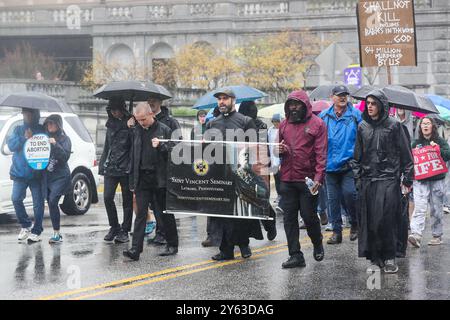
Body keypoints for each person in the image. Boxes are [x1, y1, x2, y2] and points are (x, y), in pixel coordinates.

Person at [352, 89, 414, 273]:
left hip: (389, 180)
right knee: (370, 220)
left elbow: (406, 155)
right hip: (368, 181)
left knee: (387, 220)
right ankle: (374, 256)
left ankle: (389, 256)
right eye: (368, 103)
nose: (369, 106)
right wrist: (358, 178)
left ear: (381, 105)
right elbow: (356, 156)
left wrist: (407, 180)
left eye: (373, 103)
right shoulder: (362, 126)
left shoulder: (395, 126)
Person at [205, 89, 263, 261]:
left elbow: (255, 147)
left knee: (241, 212)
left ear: (233, 100)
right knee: (222, 213)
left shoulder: (245, 121)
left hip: (241, 172)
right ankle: (226, 250)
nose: (221, 102)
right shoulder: (212, 123)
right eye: (219, 99)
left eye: (225, 98)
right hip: (219, 174)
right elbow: (206, 150)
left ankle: (244, 244)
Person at [276, 89, 327, 269]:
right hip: (287, 178)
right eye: (291, 104)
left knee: (308, 216)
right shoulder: (283, 125)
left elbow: (321, 153)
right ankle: (295, 255)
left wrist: (319, 178)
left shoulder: (318, 124)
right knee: (289, 218)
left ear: (305, 105)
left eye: (297, 104)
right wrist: (279, 151)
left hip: (308, 180)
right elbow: (277, 150)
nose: (294, 107)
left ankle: (317, 242)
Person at [123, 102, 178, 261]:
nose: (141, 122)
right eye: (138, 120)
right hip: (142, 179)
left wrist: (161, 146)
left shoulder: (164, 129)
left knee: (164, 214)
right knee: (140, 214)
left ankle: (172, 244)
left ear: (151, 114)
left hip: (160, 179)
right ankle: (135, 249)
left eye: (144, 119)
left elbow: (174, 154)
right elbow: (132, 155)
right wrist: (132, 181)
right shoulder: (136, 131)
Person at [319, 85, 361, 244]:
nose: (343, 98)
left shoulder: (356, 115)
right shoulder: (324, 116)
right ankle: (337, 232)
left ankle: (355, 224)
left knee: (350, 194)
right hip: (329, 167)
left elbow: (363, 137)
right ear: (332, 97)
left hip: (349, 165)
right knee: (333, 201)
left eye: (345, 95)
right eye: (339, 95)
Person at [408, 116, 450, 247]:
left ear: (432, 126)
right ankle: (416, 235)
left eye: (428, 123)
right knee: (420, 207)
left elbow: (448, 154)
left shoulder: (440, 141)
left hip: (437, 180)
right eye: (423, 124)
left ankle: (437, 235)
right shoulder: (415, 143)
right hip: (420, 181)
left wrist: (439, 149)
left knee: (436, 209)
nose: (425, 126)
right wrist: (408, 179)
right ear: (420, 127)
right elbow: (410, 161)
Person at [239, 101, 277, 241]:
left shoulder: (260, 126)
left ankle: (269, 222)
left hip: (259, 164)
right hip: (244, 164)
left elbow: (261, 148)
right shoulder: (239, 125)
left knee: (260, 198)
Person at [99, 97, 134, 244]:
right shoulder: (110, 124)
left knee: (127, 201)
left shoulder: (132, 123)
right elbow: (107, 146)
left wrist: (131, 127)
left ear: (122, 109)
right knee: (107, 197)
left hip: (126, 167)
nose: (114, 113)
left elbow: (135, 146)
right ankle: (114, 226)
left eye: (116, 110)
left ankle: (125, 230)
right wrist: (102, 165)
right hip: (111, 166)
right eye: (111, 110)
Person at [7, 108, 45, 243]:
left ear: (36, 114)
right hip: (19, 172)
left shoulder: (41, 129)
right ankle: (26, 225)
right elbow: (11, 145)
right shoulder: (18, 129)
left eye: (30, 113)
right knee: (16, 198)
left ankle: (37, 230)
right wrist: (25, 138)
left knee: (38, 204)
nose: (27, 115)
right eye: (25, 113)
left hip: (37, 173)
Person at [42, 114, 72, 244]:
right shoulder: (43, 138)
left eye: (52, 123)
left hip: (61, 176)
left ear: (58, 125)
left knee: (53, 200)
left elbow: (65, 157)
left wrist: (55, 145)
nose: (49, 126)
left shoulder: (65, 139)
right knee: (50, 202)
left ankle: (57, 233)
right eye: (48, 123)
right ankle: (56, 232)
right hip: (48, 176)